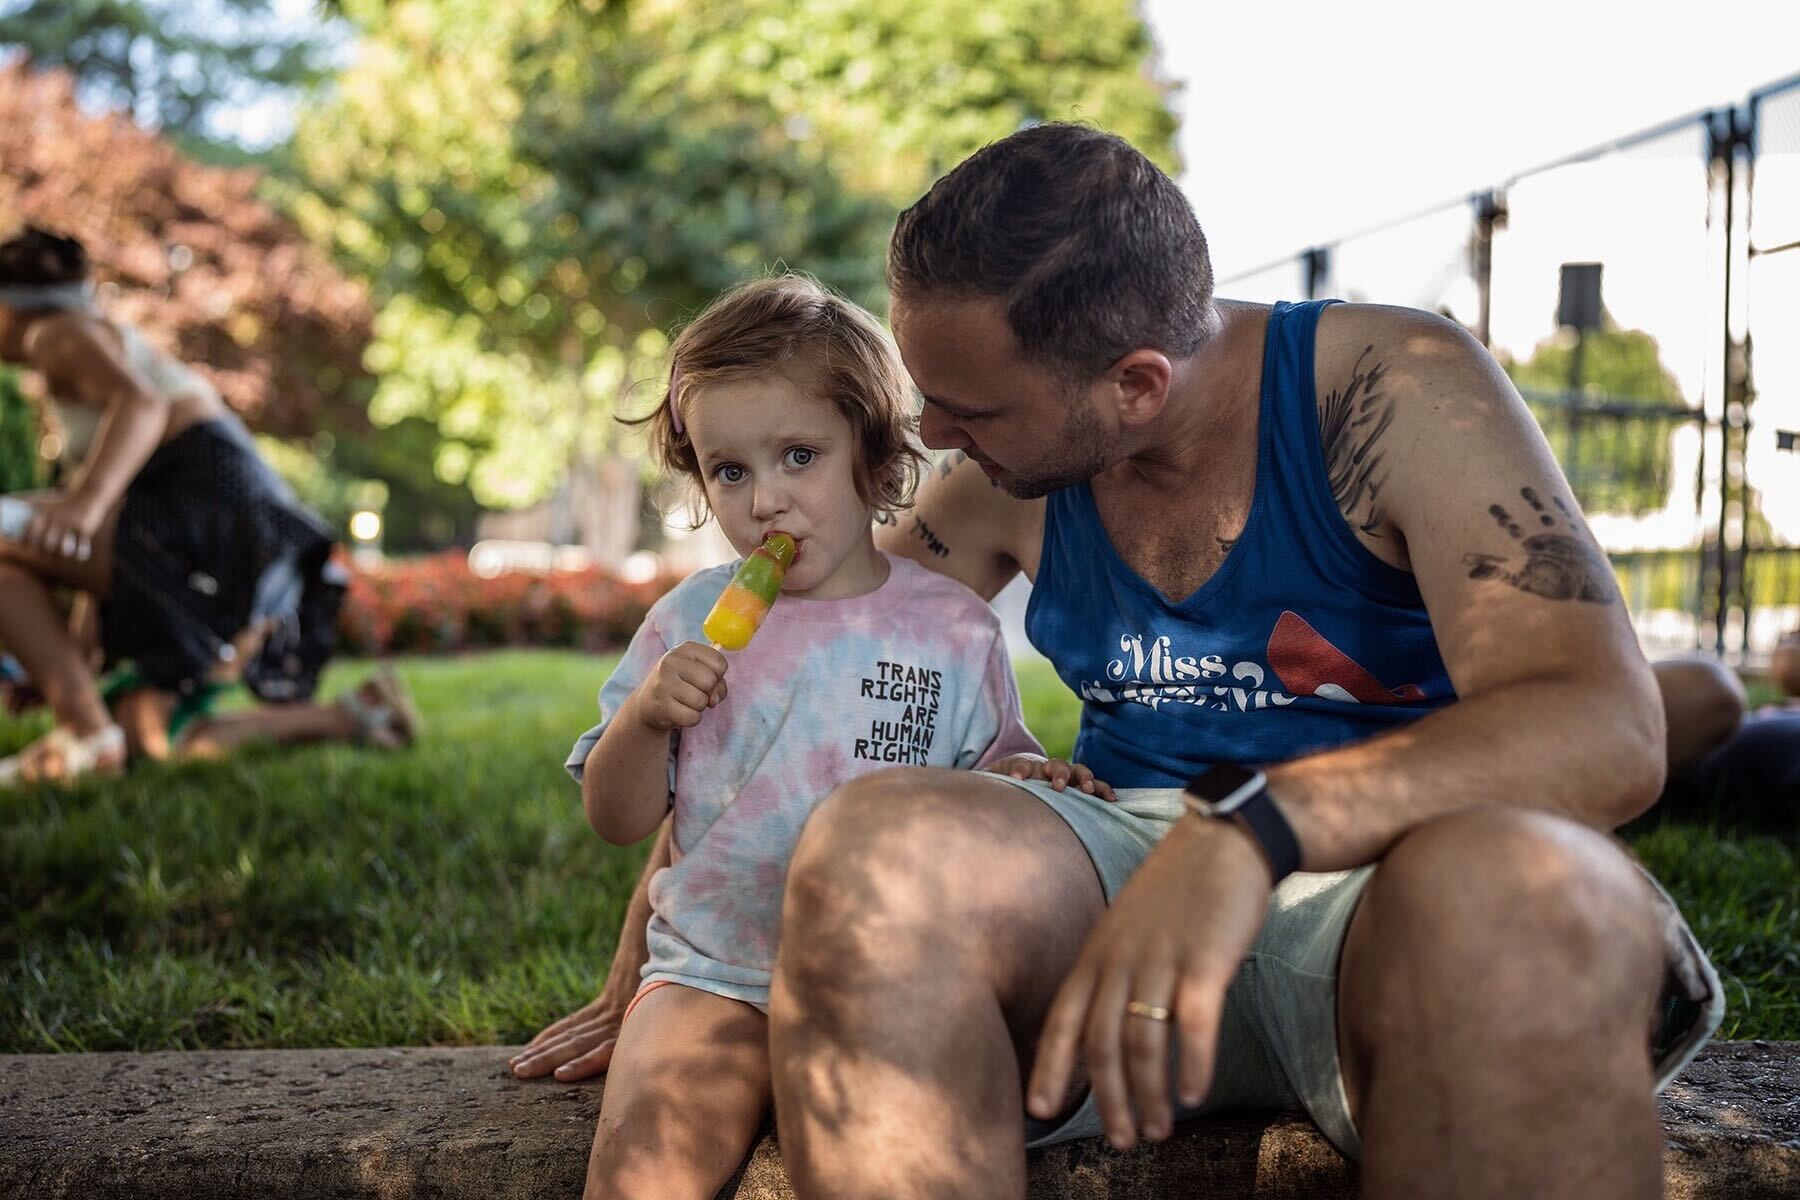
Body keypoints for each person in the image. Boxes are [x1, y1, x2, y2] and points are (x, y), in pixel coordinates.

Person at [522, 125, 1724, 1199]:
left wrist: (1250, 829)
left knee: (1519, 898)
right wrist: (669, 937)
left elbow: (1605, 727)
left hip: (1391, 879)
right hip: (1106, 884)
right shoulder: (1003, 480)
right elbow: (799, 666)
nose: (930, 437)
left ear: (1135, 385)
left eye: (970, 410)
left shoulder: (1395, 392)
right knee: (877, 846)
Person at [558, 275, 1054, 1198]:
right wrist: (643, 718)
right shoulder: (688, 622)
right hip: (717, 971)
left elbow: (992, 790)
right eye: (730, 470)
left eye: (798, 456)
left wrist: (1031, 775)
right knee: (642, 1169)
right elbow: (616, 818)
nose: (765, 502)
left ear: (871, 456)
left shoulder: (951, 629)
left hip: (888, 982)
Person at [0, 227, 344, 784]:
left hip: (209, 523)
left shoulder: (53, 334)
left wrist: (83, 503)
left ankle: (88, 737)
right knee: (151, 737)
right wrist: (67, 666)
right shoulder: (90, 337)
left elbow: (142, 404)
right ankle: (88, 734)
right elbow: (116, 543)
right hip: (227, 538)